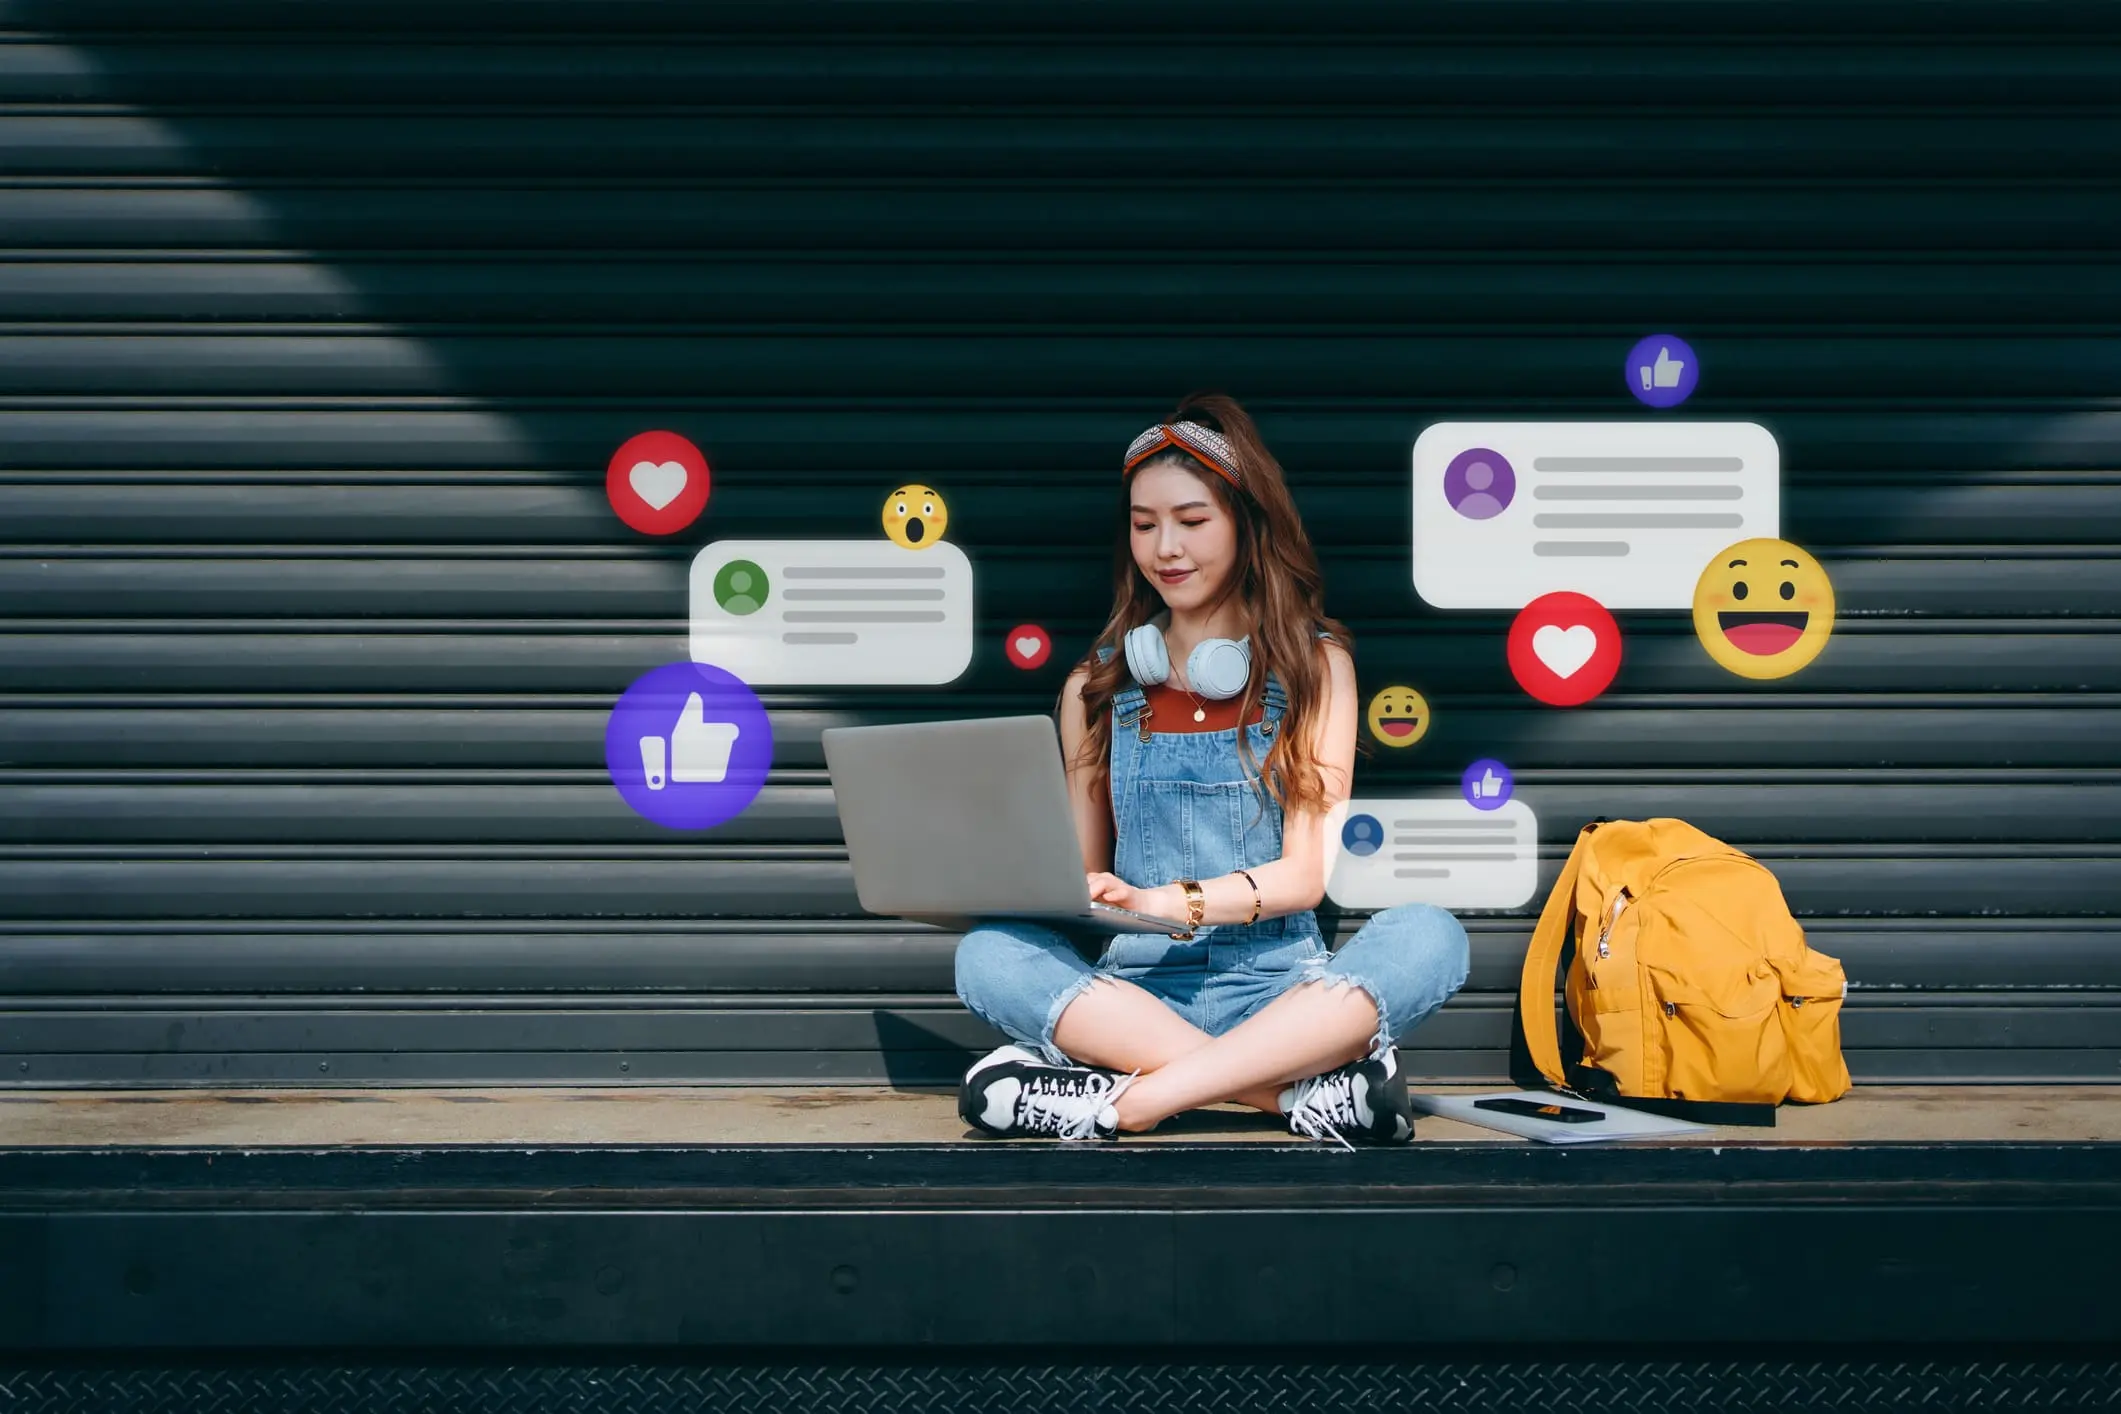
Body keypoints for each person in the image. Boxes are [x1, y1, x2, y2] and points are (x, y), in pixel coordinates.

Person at [953, 394, 1470, 1147]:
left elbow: (1303, 878)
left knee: (1431, 935)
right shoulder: (1093, 688)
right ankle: (1293, 1099)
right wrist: (1057, 883)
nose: (1165, 547)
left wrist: (1167, 901)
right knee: (986, 954)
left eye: (1191, 521)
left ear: (1244, 524)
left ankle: (1120, 1104)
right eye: (1143, 524)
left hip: (1282, 992)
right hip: (1133, 995)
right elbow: (1086, 881)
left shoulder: (1315, 667)